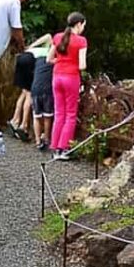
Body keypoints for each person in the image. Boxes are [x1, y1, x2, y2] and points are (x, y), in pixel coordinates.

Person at [48, 12, 87, 161]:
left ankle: (54, 146)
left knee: (59, 113)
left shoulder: (58, 37)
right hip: (71, 78)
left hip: (57, 76)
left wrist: (61, 62)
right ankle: (63, 148)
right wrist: (72, 64)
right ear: (78, 24)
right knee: (70, 114)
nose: (83, 28)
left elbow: (48, 58)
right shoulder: (81, 41)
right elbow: (82, 65)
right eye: (83, 25)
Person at [8, 34, 51, 142]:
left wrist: (31, 46)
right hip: (29, 60)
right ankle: (23, 125)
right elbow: (49, 36)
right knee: (29, 94)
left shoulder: (39, 49)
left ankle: (15, 119)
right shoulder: (51, 51)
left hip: (22, 58)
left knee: (24, 92)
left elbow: (47, 36)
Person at [31, 36, 55, 151]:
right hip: (47, 90)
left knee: (36, 116)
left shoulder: (38, 59)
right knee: (47, 116)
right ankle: (46, 138)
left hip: (35, 89)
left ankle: (37, 141)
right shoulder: (54, 61)